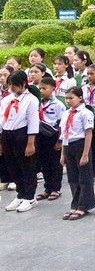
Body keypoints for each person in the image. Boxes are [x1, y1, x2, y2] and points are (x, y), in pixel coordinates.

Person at [1, 70, 40, 213]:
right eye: (10, 85)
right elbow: (2, 119)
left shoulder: (31, 100)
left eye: (15, 85)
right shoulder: (7, 100)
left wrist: (30, 143)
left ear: (23, 84)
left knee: (26, 166)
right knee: (12, 166)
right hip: (7, 133)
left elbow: (33, 121)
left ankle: (30, 197)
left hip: (22, 134)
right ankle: (20, 194)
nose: (12, 88)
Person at [59, 85, 95, 220]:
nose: (68, 101)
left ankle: (84, 205)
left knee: (84, 177)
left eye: (71, 98)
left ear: (80, 98)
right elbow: (64, 134)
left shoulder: (85, 113)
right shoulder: (66, 113)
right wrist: (63, 154)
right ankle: (75, 204)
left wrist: (85, 154)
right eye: (66, 98)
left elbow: (88, 133)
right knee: (72, 177)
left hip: (80, 145)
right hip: (68, 145)